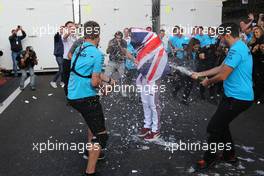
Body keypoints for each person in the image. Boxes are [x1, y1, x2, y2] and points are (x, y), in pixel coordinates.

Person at [192, 23, 254, 170]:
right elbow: (221, 68)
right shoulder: (237, 47)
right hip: (232, 96)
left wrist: (208, 82)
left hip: (238, 98)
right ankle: (229, 155)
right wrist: (200, 74)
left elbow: (223, 75)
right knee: (222, 126)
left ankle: (210, 159)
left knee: (213, 128)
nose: (219, 39)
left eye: (220, 36)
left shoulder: (237, 49)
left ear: (227, 35)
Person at [67, 21, 115, 176]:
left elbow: (85, 70)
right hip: (86, 97)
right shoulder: (98, 54)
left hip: (72, 95)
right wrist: (104, 86)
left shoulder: (78, 49)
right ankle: (90, 171)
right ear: (98, 36)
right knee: (101, 136)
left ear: (86, 35)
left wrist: (107, 79)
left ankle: (91, 151)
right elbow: (94, 82)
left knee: (91, 122)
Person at [173, 38, 200, 105]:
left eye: (198, 47)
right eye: (196, 47)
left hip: (192, 72)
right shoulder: (187, 53)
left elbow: (195, 63)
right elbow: (185, 64)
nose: (197, 48)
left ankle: (184, 99)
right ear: (192, 46)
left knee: (189, 86)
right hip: (185, 72)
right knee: (181, 83)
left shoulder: (196, 53)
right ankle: (175, 91)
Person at [105, 31, 128, 97]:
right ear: (115, 37)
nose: (118, 39)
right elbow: (107, 51)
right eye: (117, 38)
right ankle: (105, 89)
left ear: (121, 38)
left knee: (122, 77)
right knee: (106, 76)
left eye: (119, 38)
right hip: (112, 61)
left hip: (121, 62)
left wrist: (119, 45)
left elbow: (124, 52)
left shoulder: (124, 42)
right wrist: (110, 47)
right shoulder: (111, 41)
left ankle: (122, 91)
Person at [62, 21, 77, 96]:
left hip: (76, 61)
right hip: (67, 61)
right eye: (70, 26)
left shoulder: (76, 36)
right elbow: (64, 37)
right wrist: (69, 31)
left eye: (73, 26)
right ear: (66, 28)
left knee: (76, 79)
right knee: (67, 80)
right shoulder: (65, 35)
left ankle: (75, 95)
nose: (72, 27)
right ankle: (68, 97)